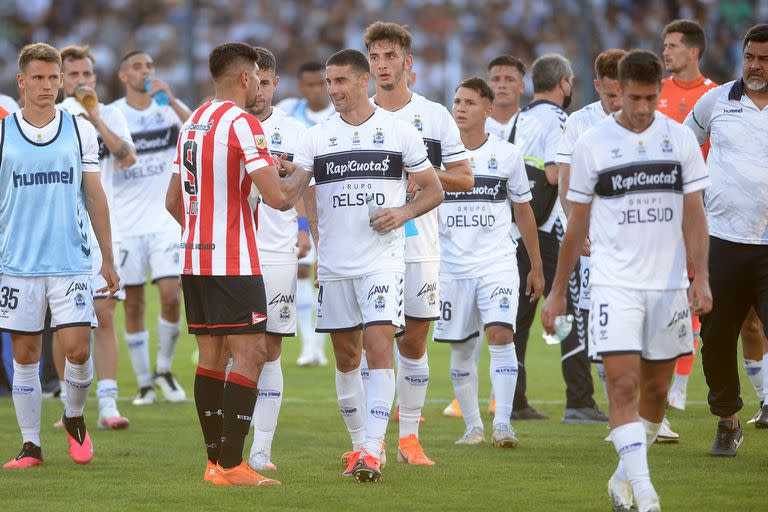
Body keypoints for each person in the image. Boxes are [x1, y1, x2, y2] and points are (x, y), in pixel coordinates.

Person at [543, 49, 711, 512]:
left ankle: (623, 478)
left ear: (660, 91)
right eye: (633, 98)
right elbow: (576, 222)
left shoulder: (679, 139)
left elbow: (695, 214)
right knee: (621, 387)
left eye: (650, 98)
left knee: (656, 393)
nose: (641, 108)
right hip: (613, 283)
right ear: (619, 90)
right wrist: (558, 291)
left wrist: (702, 278)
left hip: (670, 285)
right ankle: (649, 495)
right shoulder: (592, 142)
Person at [165, 42, 311, 486]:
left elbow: (173, 201)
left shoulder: (192, 122)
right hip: (235, 259)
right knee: (253, 353)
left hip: (194, 258)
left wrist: (204, 226)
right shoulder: (244, 124)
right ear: (246, 77)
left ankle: (215, 464)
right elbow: (279, 199)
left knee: (210, 358)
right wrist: (304, 169)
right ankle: (233, 464)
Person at [295, 49, 443, 483]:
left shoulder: (398, 132)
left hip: (384, 260)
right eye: (329, 83)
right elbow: (294, 191)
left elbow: (433, 190)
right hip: (337, 264)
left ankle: (374, 450)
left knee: (379, 347)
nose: (334, 90)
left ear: (363, 81)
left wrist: (403, 213)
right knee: (345, 356)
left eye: (341, 81)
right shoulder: (316, 136)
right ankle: (359, 444)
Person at [1, 43, 120, 469]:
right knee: (26, 356)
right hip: (16, 265)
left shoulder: (79, 128)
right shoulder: (2, 131)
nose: (48, 85)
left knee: (78, 350)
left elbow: (94, 194)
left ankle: (73, 416)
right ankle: (31, 446)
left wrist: (108, 257)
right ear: (22, 81)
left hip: (71, 259)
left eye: (54, 78)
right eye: (38, 77)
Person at [364, 21, 473, 465]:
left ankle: (409, 439)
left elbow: (465, 177)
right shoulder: (356, 116)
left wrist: (420, 175)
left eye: (390, 56)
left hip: (420, 246)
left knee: (413, 344)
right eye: (374, 57)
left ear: (408, 62)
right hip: (369, 250)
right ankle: (365, 443)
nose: (382, 65)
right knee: (368, 345)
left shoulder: (434, 115)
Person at [660, 19, 768, 419]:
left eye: (765, 59)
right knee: (719, 337)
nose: (756, 65)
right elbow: (683, 146)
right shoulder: (717, 101)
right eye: (750, 57)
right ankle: (727, 419)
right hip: (722, 239)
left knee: (757, 330)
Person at [437, 76, 544, 448]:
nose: (460, 108)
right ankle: (472, 427)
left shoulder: (507, 155)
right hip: (450, 267)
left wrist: (536, 265)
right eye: (457, 101)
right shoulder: (436, 158)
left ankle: (502, 424)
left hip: (497, 262)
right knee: (462, 348)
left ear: (487, 109)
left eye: (468, 102)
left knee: (502, 335)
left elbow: (524, 211)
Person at [512, 54, 606, 423]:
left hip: (518, 230)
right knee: (568, 307)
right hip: (550, 228)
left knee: (519, 319)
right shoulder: (559, 120)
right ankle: (579, 398)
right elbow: (555, 175)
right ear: (564, 82)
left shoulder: (518, 119)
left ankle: (514, 400)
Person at [54, 44, 136, 431]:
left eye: (87, 74)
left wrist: (96, 118)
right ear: (60, 80)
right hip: (65, 234)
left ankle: (107, 404)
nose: (82, 81)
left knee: (103, 316)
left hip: (107, 228)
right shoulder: (52, 119)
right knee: (65, 323)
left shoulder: (112, 112)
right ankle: (68, 405)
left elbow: (126, 156)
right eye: (74, 75)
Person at [111, 50, 192, 406]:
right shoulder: (114, 114)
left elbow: (200, 131)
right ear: (123, 76)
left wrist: (171, 100)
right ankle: (144, 382)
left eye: (149, 66)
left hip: (164, 219)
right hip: (125, 222)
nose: (145, 71)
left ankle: (163, 370)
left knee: (172, 295)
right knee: (133, 303)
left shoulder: (169, 108)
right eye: (137, 67)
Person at [245, 47, 311, 472]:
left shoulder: (294, 129)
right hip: (230, 251)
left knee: (269, 348)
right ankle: (226, 442)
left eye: (266, 83)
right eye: (253, 82)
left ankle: (261, 448)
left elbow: (305, 185)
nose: (259, 91)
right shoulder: (225, 125)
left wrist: (304, 230)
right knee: (229, 351)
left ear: (276, 84)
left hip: (275, 251)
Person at [276, 61, 334, 367]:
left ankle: (320, 344)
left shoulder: (338, 114)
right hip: (300, 200)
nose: (315, 90)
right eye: (309, 85)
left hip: (330, 203)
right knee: (300, 270)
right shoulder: (288, 110)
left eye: (320, 84)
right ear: (301, 87)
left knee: (324, 274)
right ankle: (309, 346)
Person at [486, 55, 528, 141]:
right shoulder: (473, 125)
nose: (502, 85)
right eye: (496, 79)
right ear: (487, 86)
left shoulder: (534, 126)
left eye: (510, 79)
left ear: (522, 86)